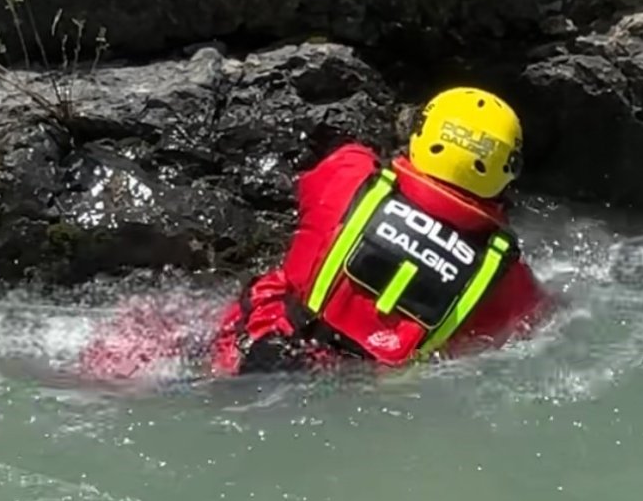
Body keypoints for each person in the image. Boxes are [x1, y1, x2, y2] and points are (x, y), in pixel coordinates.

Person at [204, 86, 554, 377]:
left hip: (253, 347)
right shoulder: (509, 282)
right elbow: (536, 327)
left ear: (422, 133)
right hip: (352, 390)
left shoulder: (349, 174)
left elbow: (312, 182)